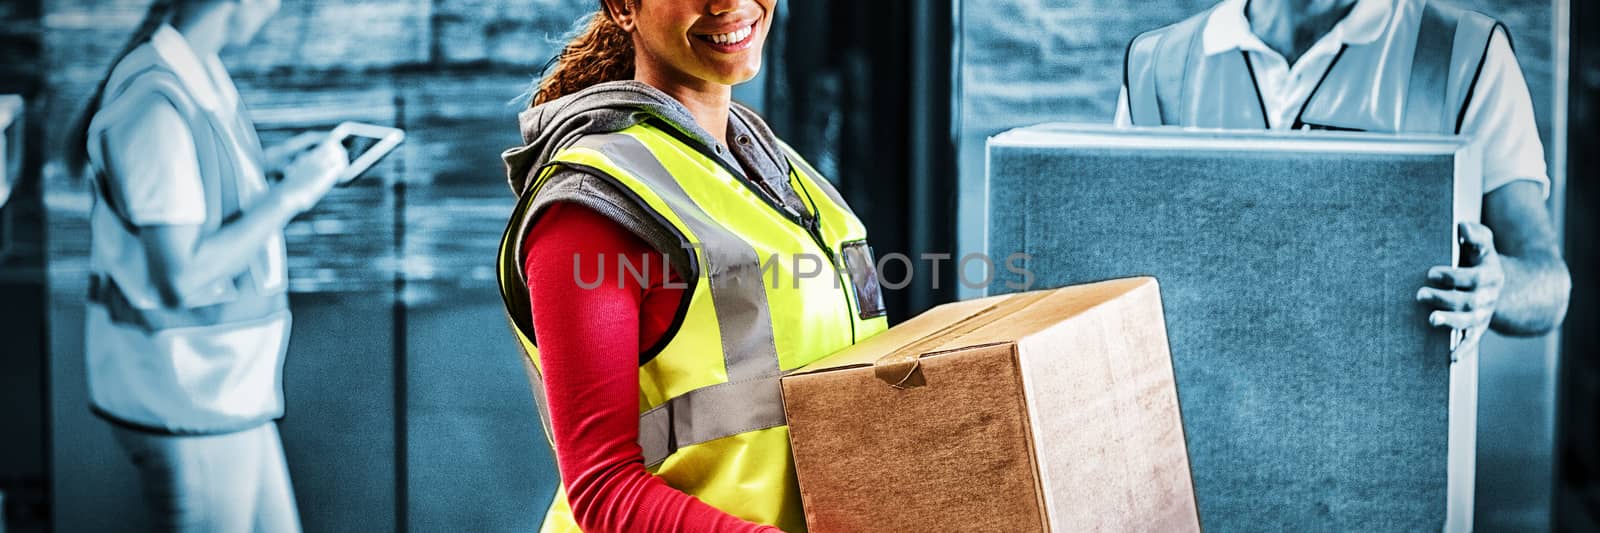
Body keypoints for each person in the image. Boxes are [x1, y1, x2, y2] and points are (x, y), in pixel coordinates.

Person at [495, 0, 888, 530]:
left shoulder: (787, 177)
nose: (729, 4)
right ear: (623, 8)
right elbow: (603, 492)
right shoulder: (589, 206)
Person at [1116, 0, 1570, 346]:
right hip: (1189, 439)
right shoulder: (1156, 66)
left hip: (1395, 448)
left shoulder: (1465, 53)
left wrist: (1493, 288)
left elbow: (1547, 285)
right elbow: (1112, 279)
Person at [64, 0, 348, 530]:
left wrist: (270, 167)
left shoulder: (194, 72)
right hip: (188, 393)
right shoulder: (155, 105)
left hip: (222, 388)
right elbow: (182, 276)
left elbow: (188, 192)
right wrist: (293, 195)